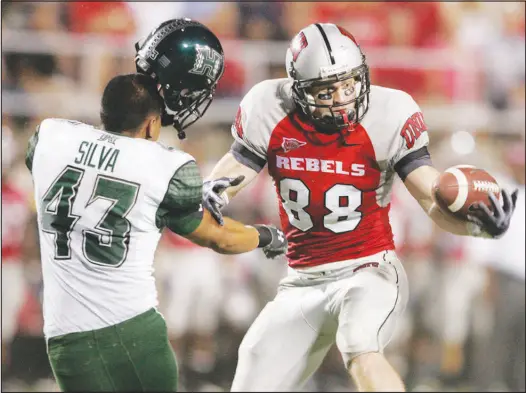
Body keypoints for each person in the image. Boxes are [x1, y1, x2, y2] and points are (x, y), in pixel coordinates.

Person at [202, 22, 518, 391]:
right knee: (254, 363)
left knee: (360, 348)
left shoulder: (388, 112)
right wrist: (212, 191)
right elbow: (234, 169)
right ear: (298, 89)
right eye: (325, 90)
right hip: (301, 280)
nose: (341, 97)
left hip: (368, 270)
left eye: (349, 84)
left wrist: (477, 226)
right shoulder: (268, 106)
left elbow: (432, 198)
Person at [25, 19, 287, 392]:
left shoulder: (52, 137)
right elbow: (220, 238)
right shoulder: (166, 166)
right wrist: (267, 236)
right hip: (132, 331)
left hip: (65, 341)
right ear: (150, 125)